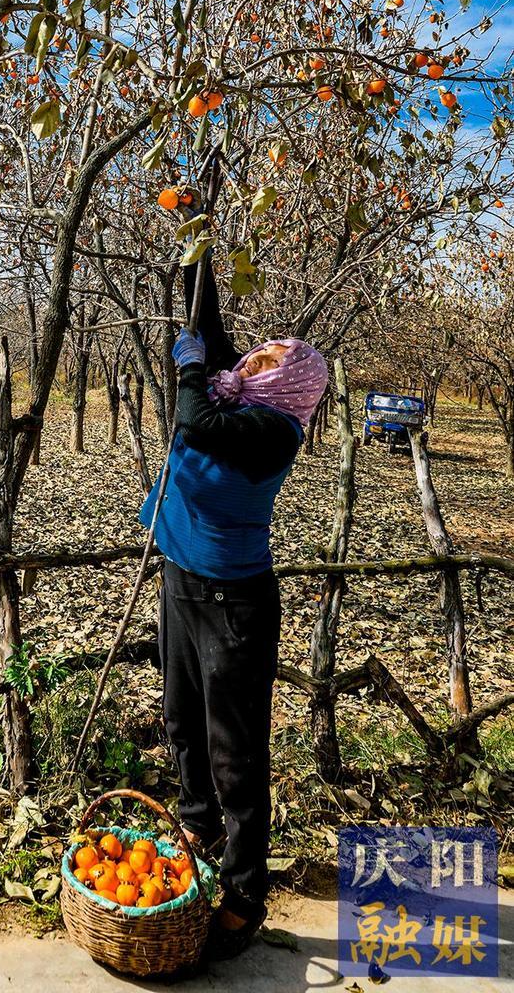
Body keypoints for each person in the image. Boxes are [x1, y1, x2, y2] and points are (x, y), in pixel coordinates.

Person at [138, 260, 328, 960]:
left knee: (234, 753)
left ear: (294, 382)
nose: (258, 356)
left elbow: (194, 418)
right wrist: (199, 240)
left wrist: (190, 372)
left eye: (274, 358)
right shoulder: (235, 390)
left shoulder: (273, 428)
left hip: (233, 603)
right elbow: (206, 322)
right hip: (181, 579)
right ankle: (199, 830)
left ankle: (246, 891)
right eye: (263, 348)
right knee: (181, 719)